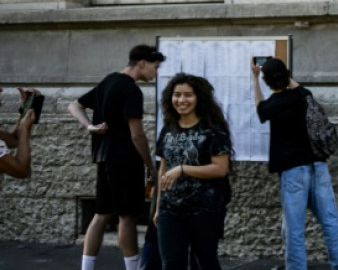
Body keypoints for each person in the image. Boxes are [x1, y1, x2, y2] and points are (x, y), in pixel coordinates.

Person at [68, 45, 163, 270]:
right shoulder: (131, 90)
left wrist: (89, 126)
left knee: (101, 214)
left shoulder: (109, 81)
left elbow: (74, 105)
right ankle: (133, 267)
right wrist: (150, 166)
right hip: (125, 160)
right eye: (155, 66)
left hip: (104, 158)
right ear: (142, 63)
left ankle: (86, 268)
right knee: (127, 216)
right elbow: (137, 134)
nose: (156, 72)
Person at [252, 57, 338, 270]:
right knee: (330, 221)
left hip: (293, 171)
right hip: (318, 166)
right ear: (287, 75)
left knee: (294, 228)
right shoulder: (303, 95)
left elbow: (259, 107)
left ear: (267, 81)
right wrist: (285, 74)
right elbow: (300, 88)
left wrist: (254, 78)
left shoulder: (272, 105)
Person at [154, 73, 231, 270]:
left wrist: (182, 169)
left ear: (199, 98)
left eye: (188, 95)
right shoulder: (168, 128)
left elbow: (220, 169)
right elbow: (163, 169)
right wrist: (158, 208)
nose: (182, 100)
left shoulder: (213, 130)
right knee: (171, 265)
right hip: (170, 209)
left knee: (205, 263)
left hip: (205, 209)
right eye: (177, 95)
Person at [0, 66, 37, 270]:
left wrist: (25, 110)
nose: (0, 90)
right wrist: (25, 129)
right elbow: (21, 169)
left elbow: (14, 139)